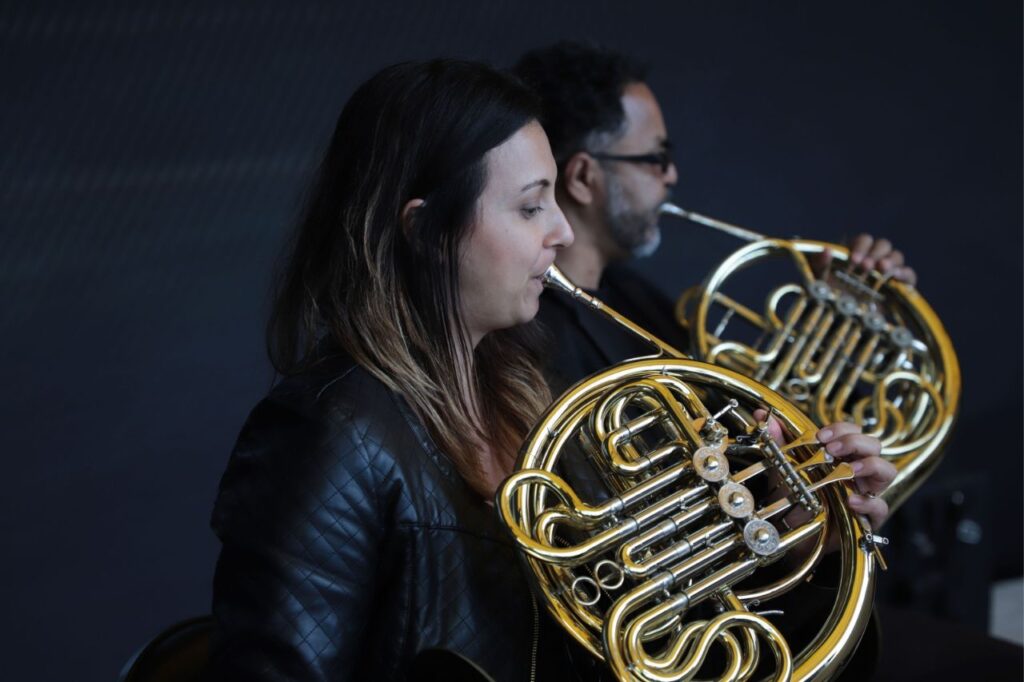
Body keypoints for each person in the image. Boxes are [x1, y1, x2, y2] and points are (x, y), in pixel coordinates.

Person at [206, 59, 589, 680]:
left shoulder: (533, 400)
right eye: (529, 208)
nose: (564, 232)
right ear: (427, 230)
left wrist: (760, 520)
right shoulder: (325, 433)